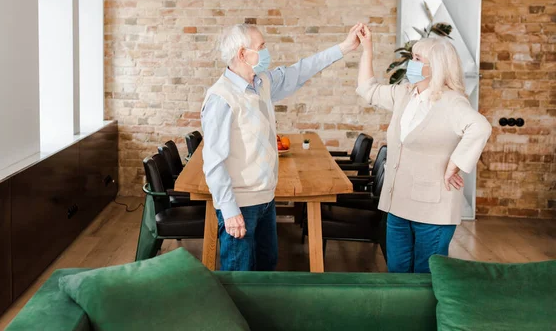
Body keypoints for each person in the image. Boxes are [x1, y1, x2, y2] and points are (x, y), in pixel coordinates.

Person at [201, 23, 362, 271]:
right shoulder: (221, 97)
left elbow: (301, 70)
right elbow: (214, 162)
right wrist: (230, 210)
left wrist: (346, 47)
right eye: (261, 47)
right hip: (240, 204)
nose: (266, 52)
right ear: (243, 54)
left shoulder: (262, 82)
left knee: (266, 270)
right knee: (238, 277)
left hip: (266, 200)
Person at [356, 24, 492, 273]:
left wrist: (455, 164)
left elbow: (480, 127)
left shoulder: (451, 102)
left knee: (426, 274)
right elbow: (368, 90)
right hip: (398, 204)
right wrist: (367, 49)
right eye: (412, 58)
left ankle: (428, 314)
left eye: (418, 59)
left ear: (436, 67)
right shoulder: (405, 95)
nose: (411, 64)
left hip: (433, 209)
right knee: (397, 271)